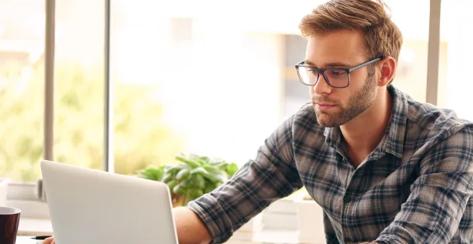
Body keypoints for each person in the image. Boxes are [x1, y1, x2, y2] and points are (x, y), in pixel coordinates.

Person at [44, 0, 473, 243]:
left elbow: (411, 240)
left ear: (383, 72)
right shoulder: (304, 131)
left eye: (338, 72)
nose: (319, 87)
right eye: (311, 69)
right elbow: (216, 212)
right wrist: (95, 236)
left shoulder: (449, 140)